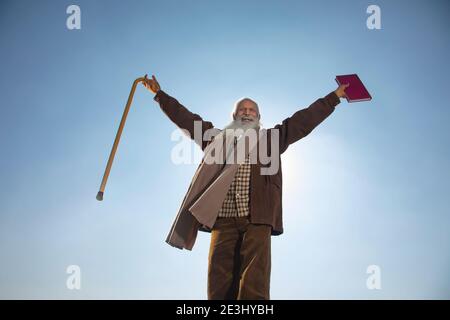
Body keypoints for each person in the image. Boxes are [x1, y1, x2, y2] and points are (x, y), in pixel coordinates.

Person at [143, 74, 349, 300]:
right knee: (218, 283)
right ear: (234, 116)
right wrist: (160, 95)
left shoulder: (272, 139)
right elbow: (187, 120)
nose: (247, 113)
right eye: (242, 110)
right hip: (222, 220)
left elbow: (303, 120)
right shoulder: (216, 138)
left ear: (259, 117)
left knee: (254, 284)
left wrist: (333, 98)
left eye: (252, 110)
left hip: (257, 219)